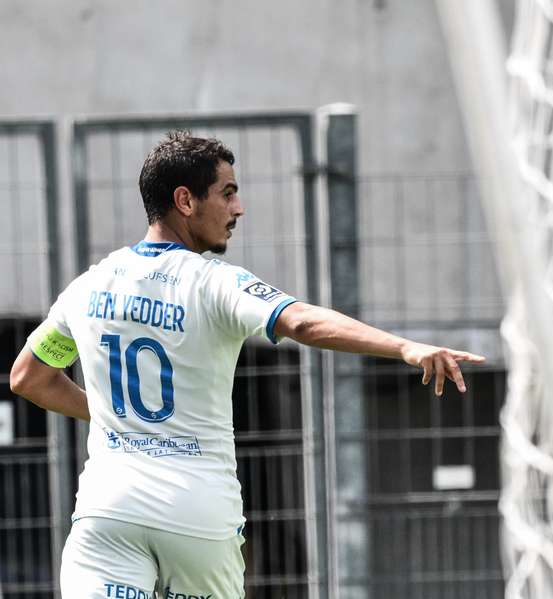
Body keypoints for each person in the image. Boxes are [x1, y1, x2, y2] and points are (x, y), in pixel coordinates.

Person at [9, 131, 486, 598]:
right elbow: (301, 322)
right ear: (185, 200)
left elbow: (30, 377)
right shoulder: (214, 282)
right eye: (228, 193)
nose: (238, 209)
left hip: (108, 513)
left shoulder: (90, 286)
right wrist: (405, 348)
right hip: (196, 517)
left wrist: (115, 416)